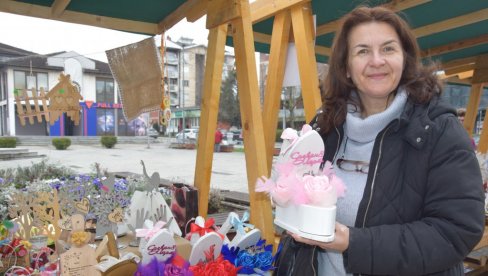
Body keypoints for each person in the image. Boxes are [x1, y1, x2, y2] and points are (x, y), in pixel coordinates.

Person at [284, 6, 485, 276]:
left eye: (388, 49)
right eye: (363, 51)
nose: (376, 60)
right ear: (345, 67)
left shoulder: (439, 129)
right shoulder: (325, 126)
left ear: (405, 59)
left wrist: (354, 243)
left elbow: (456, 231)